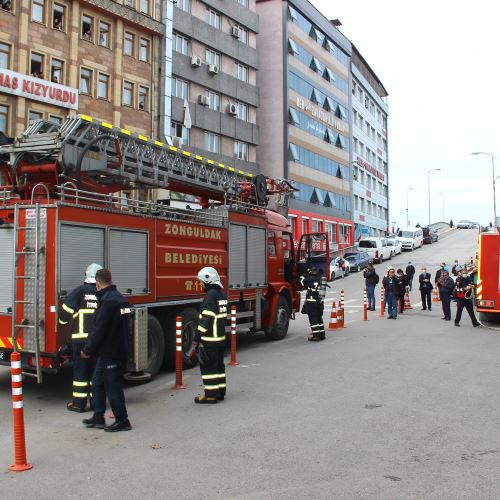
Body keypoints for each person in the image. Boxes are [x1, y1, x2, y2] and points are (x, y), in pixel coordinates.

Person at [82, 269, 132, 431]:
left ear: (97, 283)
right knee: (97, 383)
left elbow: (99, 329)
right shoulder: (119, 298)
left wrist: (88, 349)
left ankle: (122, 420)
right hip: (110, 352)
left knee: (113, 386)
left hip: (111, 352)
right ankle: (98, 417)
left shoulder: (108, 301)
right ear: (110, 280)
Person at [58, 263, 102, 413]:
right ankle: (96, 404)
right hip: (97, 341)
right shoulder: (102, 293)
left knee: (80, 373)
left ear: (87, 275)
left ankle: (79, 404)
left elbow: (65, 312)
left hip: (80, 341)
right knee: (96, 374)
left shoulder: (80, 291)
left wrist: (62, 323)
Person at [191, 267, 228, 404]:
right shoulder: (221, 294)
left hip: (210, 339)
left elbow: (207, 319)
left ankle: (211, 395)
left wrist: (197, 337)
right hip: (220, 338)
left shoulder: (210, 296)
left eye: (201, 282)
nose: (200, 284)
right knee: (219, 366)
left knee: (208, 368)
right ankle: (220, 392)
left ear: (208, 280)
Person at [300, 266, 325, 341]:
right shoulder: (320, 277)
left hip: (312, 303)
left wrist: (305, 273)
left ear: (311, 271)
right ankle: (322, 334)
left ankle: (316, 336)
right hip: (320, 302)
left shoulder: (309, 279)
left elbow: (301, 281)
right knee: (319, 318)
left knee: (313, 319)